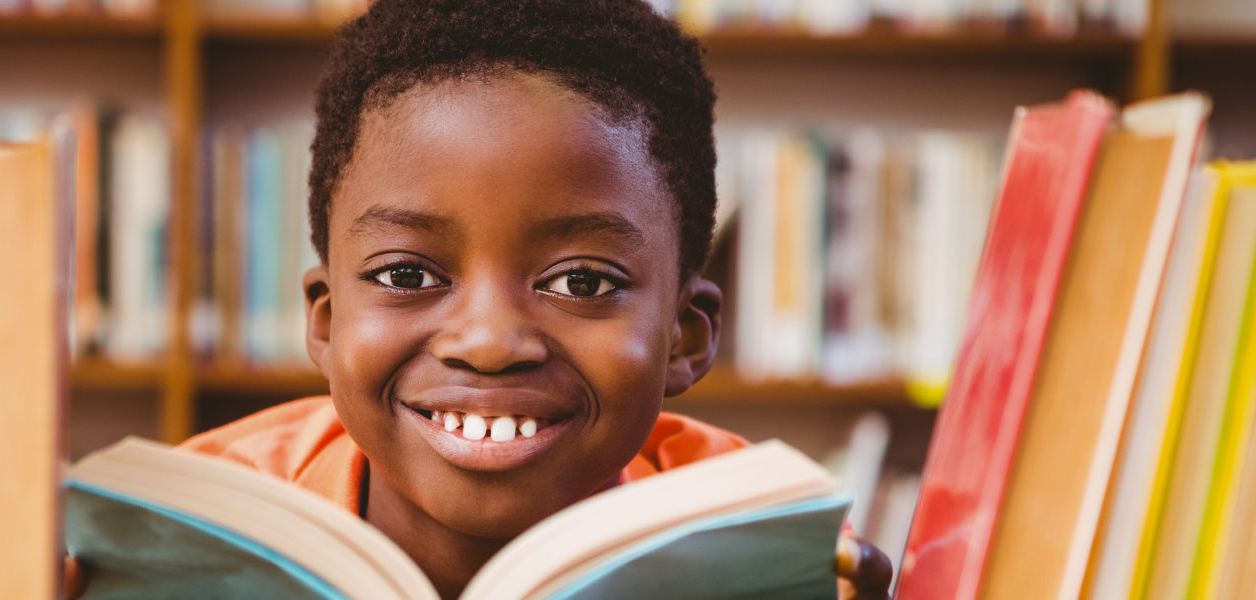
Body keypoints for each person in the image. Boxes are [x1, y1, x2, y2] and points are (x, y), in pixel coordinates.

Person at [72, 0, 893, 597]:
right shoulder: (198, 526)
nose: (490, 341)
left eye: (582, 283)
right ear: (325, 322)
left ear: (685, 336)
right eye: (406, 276)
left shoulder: (755, 539)